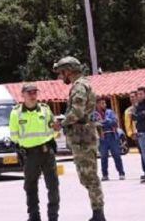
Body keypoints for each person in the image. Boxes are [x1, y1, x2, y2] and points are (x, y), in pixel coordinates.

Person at [52, 56, 104, 221]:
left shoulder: (79, 86)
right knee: (86, 176)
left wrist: (61, 123)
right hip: (82, 136)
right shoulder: (81, 84)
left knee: (89, 176)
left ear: (69, 71)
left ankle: (99, 214)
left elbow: (77, 112)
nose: (61, 77)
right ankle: (97, 212)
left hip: (83, 137)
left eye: (62, 73)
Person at [9, 83, 59, 221]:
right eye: (29, 93)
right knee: (30, 186)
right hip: (29, 154)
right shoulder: (16, 113)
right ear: (22, 95)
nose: (32, 95)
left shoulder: (45, 109)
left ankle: (53, 216)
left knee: (53, 185)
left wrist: (56, 128)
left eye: (34, 92)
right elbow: (14, 135)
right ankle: (34, 215)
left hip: (46, 151)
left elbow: (54, 126)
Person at [93, 98, 125, 181]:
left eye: (105, 103)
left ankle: (121, 173)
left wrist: (104, 121)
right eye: (102, 103)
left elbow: (114, 122)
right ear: (97, 104)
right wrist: (104, 122)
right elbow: (94, 124)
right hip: (102, 138)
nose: (105, 105)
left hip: (112, 136)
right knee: (103, 157)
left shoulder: (110, 112)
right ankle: (105, 175)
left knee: (117, 155)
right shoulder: (94, 114)